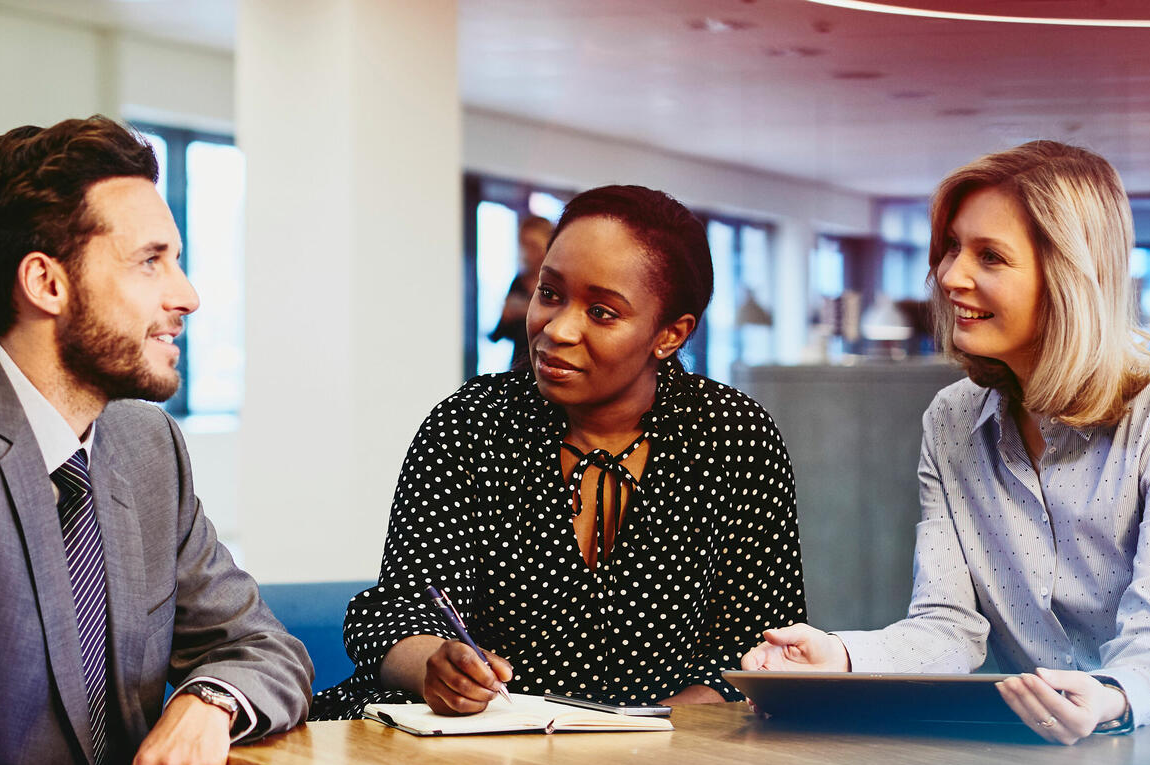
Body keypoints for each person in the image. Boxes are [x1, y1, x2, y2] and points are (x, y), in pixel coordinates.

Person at [0, 115, 314, 765]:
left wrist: (210, 701)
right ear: (46, 282)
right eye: (152, 261)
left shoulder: (145, 449)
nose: (187, 295)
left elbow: (262, 646)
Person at [316, 183, 805, 719]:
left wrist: (634, 736)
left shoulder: (733, 437)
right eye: (549, 294)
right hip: (472, 749)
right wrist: (437, 664)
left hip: (668, 758)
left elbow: (761, 649)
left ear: (669, 334)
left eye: (601, 312)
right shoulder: (473, 423)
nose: (556, 328)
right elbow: (401, 610)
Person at [744, 141, 1150, 745]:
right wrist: (840, 656)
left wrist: (1111, 697)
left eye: (990, 256)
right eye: (953, 248)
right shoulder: (952, 420)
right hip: (1040, 758)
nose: (950, 275)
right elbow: (949, 627)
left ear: (1070, 275)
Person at [489, 214, 553, 370]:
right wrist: (506, 317)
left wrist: (526, 311)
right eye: (524, 245)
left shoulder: (556, 284)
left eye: (534, 245)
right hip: (519, 365)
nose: (528, 252)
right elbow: (498, 335)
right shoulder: (518, 281)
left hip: (547, 362)